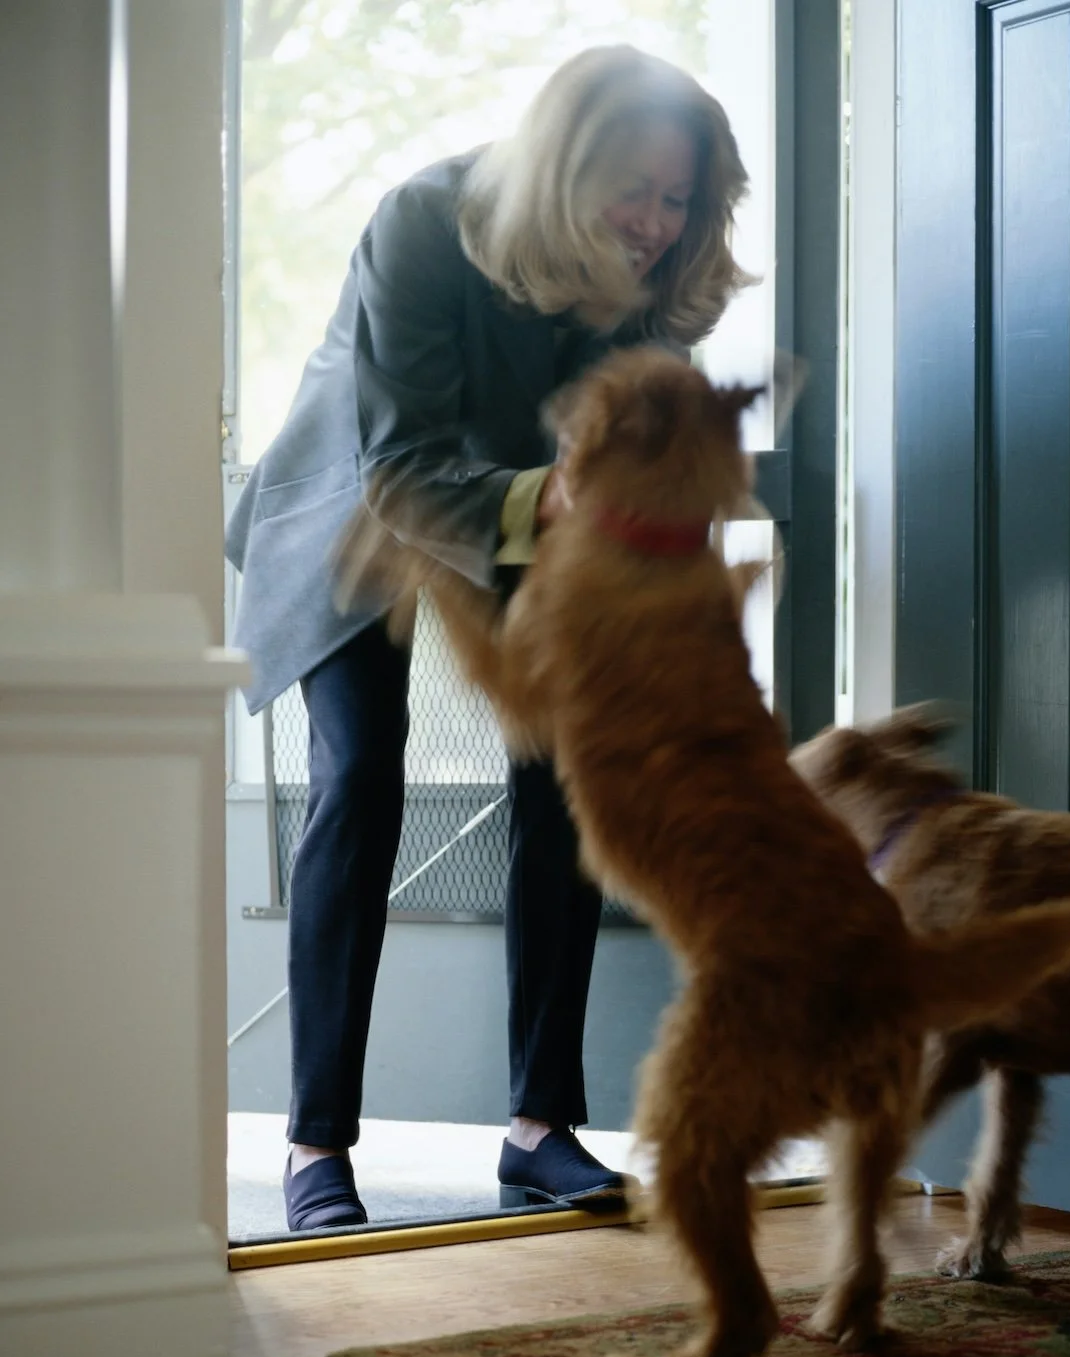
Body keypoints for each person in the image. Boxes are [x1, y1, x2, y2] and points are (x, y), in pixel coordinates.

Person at [226, 43, 753, 1231]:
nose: (656, 223)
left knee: (566, 777)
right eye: (635, 191)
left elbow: (639, 456)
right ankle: (314, 1146)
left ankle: (538, 1128)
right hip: (364, 506)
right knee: (362, 774)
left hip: (535, 522)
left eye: (679, 198)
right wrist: (560, 494)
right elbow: (403, 466)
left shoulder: (663, 272)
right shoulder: (423, 219)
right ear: (566, 165)